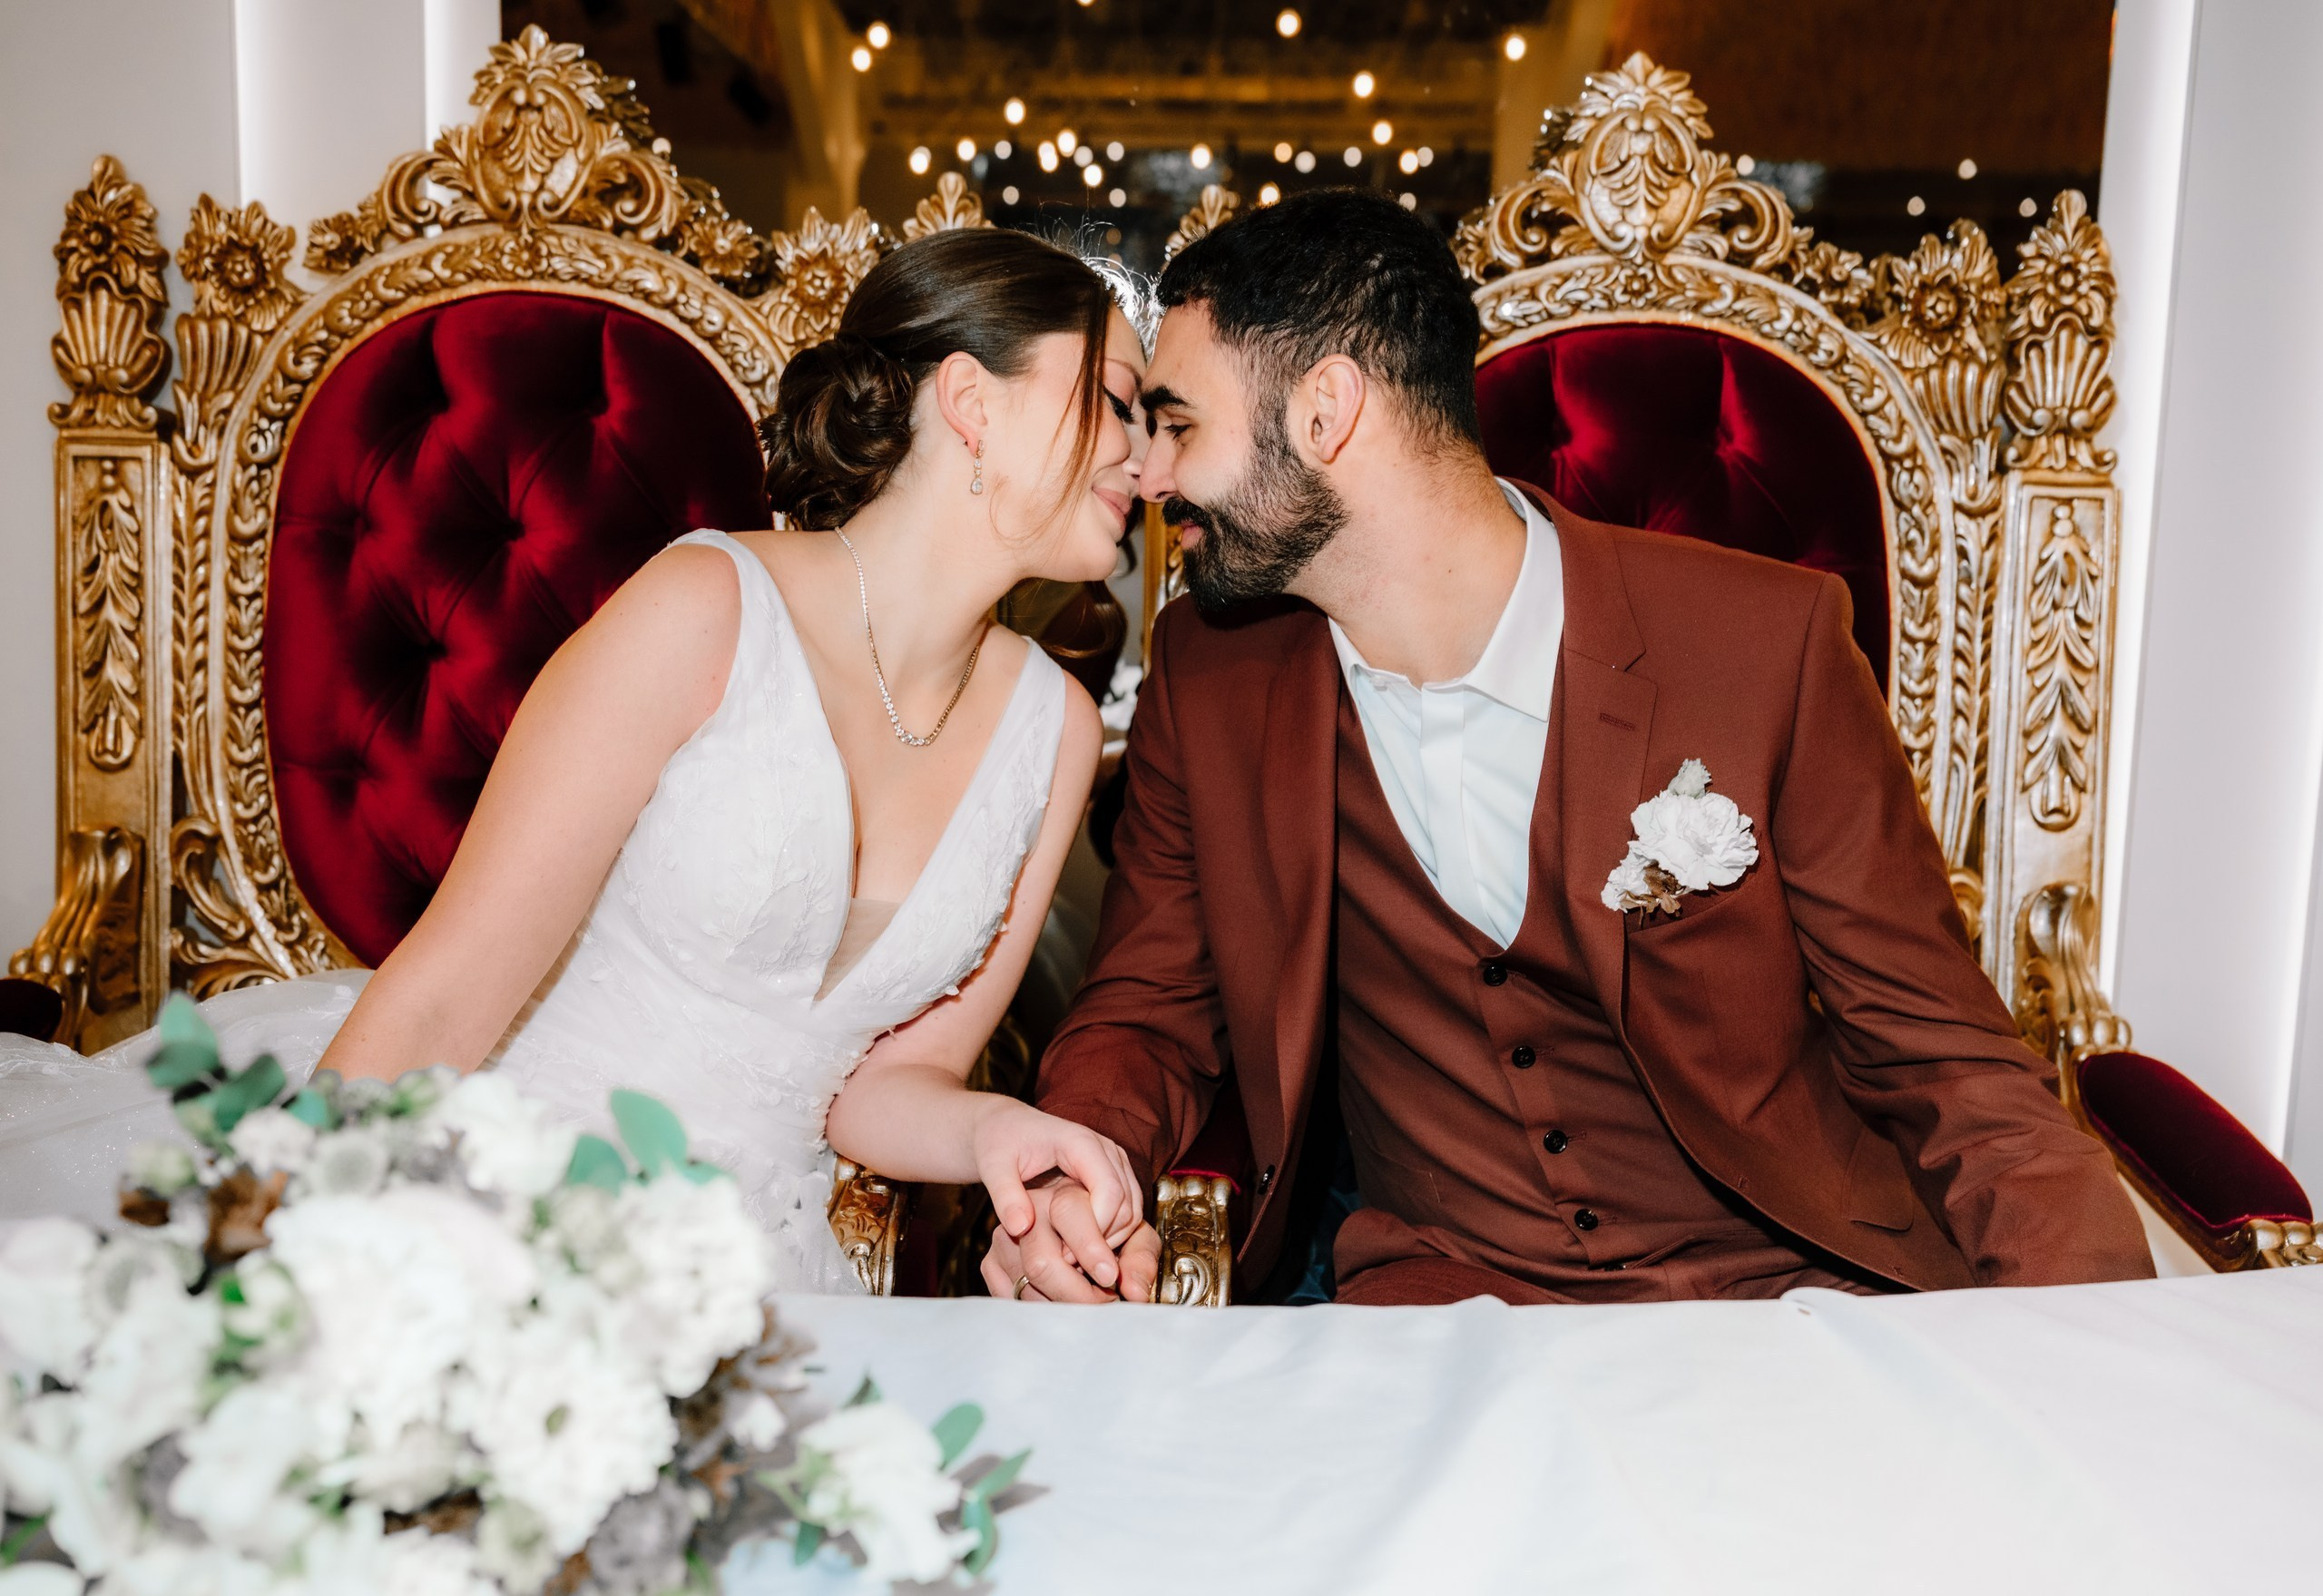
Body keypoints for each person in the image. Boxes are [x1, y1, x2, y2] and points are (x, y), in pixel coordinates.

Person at [986, 189, 2155, 1307]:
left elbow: (1943, 1062)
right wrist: (1064, 1168)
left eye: (1178, 423)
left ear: (1326, 411)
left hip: (1785, 1293)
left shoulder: (1765, 645)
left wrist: (2085, 1354)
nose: (1147, 473)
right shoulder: (1215, 672)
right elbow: (1147, 1009)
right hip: (1441, 1308)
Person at [0, 227, 1152, 1296]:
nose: (1145, 462)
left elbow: (884, 1088)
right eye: (1112, 402)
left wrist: (998, 1131)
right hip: (496, 1196)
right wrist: (261, 1273)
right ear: (969, 401)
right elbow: (447, 993)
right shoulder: (703, 609)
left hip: (754, 1264)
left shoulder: (1051, 728)